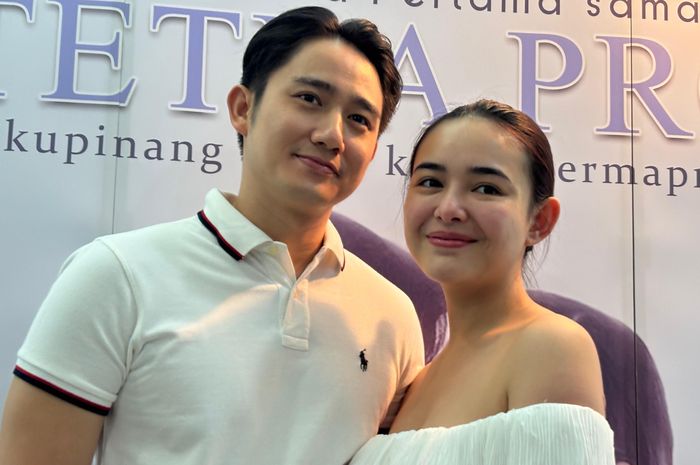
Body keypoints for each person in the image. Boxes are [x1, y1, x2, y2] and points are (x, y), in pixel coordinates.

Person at [0, 7, 424, 465]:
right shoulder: (116, 275)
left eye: (359, 119)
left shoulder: (393, 317)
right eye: (309, 98)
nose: (332, 135)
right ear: (243, 109)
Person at [350, 100, 615, 464]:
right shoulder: (415, 381)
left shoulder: (551, 346)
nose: (448, 209)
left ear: (539, 220)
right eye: (430, 182)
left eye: (486, 189)